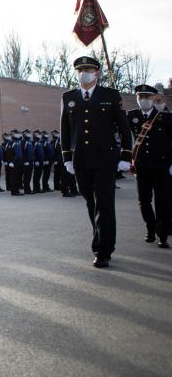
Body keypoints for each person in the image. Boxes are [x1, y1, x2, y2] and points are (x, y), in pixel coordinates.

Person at [61, 56, 133, 268]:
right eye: (80, 69)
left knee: (104, 204)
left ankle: (103, 249)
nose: (84, 72)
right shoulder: (69, 97)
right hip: (80, 160)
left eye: (88, 69)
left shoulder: (109, 95)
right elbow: (65, 130)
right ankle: (101, 239)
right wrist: (67, 157)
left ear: (97, 73)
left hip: (104, 159)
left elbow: (124, 128)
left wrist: (125, 156)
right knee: (90, 202)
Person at [126, 84, 171, 248]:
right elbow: (123, 133)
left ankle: (163, 234)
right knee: (143, 201)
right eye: (140, 97)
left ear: (153, 99)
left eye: (147, 97)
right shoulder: (131, 116)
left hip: (160, 166)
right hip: (141, 166)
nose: (143, 100)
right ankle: (150, 228)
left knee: (162, 201)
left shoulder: (165, 118)